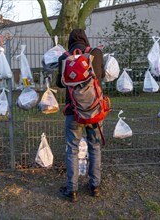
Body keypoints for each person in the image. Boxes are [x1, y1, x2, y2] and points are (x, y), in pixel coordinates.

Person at [56, 29, 105, 202]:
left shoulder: (64, 57)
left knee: (72, 149)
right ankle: (95, 186)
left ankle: (72, 190)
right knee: (95, 147)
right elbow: (101, 76)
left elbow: (60, 83)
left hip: (73, 111)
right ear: (85, 39)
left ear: (70, 40)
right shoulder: (96, 53)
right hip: (94, 111)